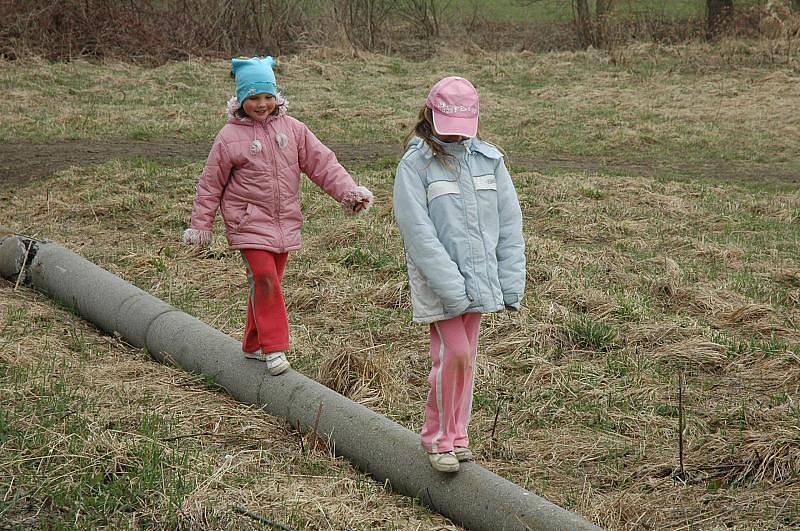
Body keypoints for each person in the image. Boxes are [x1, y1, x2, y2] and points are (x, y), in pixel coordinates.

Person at [183, 56, 373, 376]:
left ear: (277, 96)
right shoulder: (229, 138)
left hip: (284, 222)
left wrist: (347, 192)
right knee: (265, 279)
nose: (262, 104)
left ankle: (253, 343)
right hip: (247, 222)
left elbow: (322, 164)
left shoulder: (294, 130)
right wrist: (201, 225)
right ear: (241, 99)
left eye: (268, 96)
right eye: (254, 98)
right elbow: (210, 183)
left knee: (268, 284)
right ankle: (275, 347)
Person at [393, 76, 525, 473]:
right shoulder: (415, 166)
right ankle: (437, 437)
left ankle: (459, 435)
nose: (454, 138)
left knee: (467, 360)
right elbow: (419, 235)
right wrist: (451, 287)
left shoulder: (489, 160)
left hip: (482, 282)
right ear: (430, 117)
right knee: (454, 354)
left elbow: (509, 224)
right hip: (444, 287)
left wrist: (510, 281)